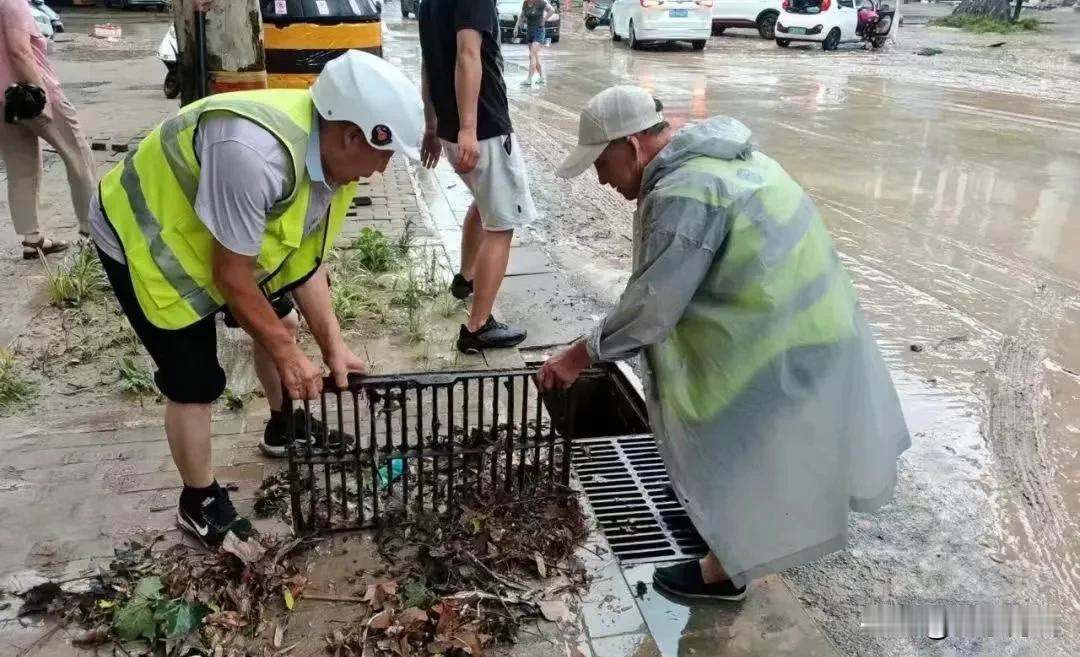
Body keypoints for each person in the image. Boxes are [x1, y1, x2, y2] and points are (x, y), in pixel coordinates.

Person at [539, 86, 910, 602]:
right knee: (748, 435)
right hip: (814, 321)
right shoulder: (723, 160)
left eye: (602, 163)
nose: (601, 179)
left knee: (739, 437)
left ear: (631, 146)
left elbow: (651, 309)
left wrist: (578, 355)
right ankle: (721, 524)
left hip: (788, 336)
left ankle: (725, 572)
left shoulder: (681, 193)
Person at [88, 50, 424, 547]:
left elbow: (304, 261)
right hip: (151, 241)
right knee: (195, 380)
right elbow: (231, 277)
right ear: (354, 135)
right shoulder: (255, 155)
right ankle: (197, 501)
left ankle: (283, 426)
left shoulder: (333, 164)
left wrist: (332, 346)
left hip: (226, 240)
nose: (383, 170)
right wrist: (290, 359)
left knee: (281, 327)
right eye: (386, 154)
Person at [418, 0, 537, 353]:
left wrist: (433, 125)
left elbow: (428, 64)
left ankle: (465, 280)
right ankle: (478, 326)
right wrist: (469, 128)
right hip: (482, 129)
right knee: (502, 222)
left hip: (452, 130)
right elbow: (468, 55)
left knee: (484, 203)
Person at [0, 0, 95, 259]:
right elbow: (19, 52)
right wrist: (41, 96)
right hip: (33, 94)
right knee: (78, 156)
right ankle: (92, 232)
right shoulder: (12, 3)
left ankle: (32, 239)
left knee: (21, 168)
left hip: (2, 101)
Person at [515, 0, 556, 87]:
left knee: (532, 54)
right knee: (535, 56)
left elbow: (552, 10)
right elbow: (522, 15)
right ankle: (541, 77)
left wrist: (544, 19)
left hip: (539, 31)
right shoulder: (525, 3)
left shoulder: (540, 2)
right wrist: (517, 26)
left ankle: (529, 79)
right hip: (529, 31)